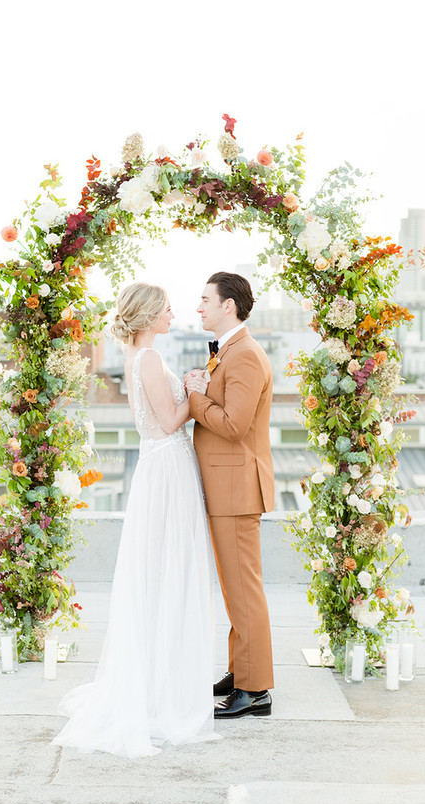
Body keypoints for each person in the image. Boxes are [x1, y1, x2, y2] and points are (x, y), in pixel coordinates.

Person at [53, 282, 218, 757]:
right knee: (170, 566)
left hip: (161, 465)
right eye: (166, 307)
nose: (173, 311)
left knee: (162, 567)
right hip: (168, 463)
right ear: (147, 315)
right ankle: (164, 687)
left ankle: (161, 674)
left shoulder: (141, 357)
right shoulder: (147, 359)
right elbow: (169, 422)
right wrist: (196, 390)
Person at [184, 271, 275, 719]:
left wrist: (196, 396)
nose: (198, 307)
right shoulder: (231, 352)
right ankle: (241, 673)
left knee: (244, 592)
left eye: (205, 300)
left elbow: (235, 425)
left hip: (237, 490)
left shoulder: (244, 357)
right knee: (235, 590)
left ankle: (255, 690)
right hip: (227, 488)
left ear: (229, 306)